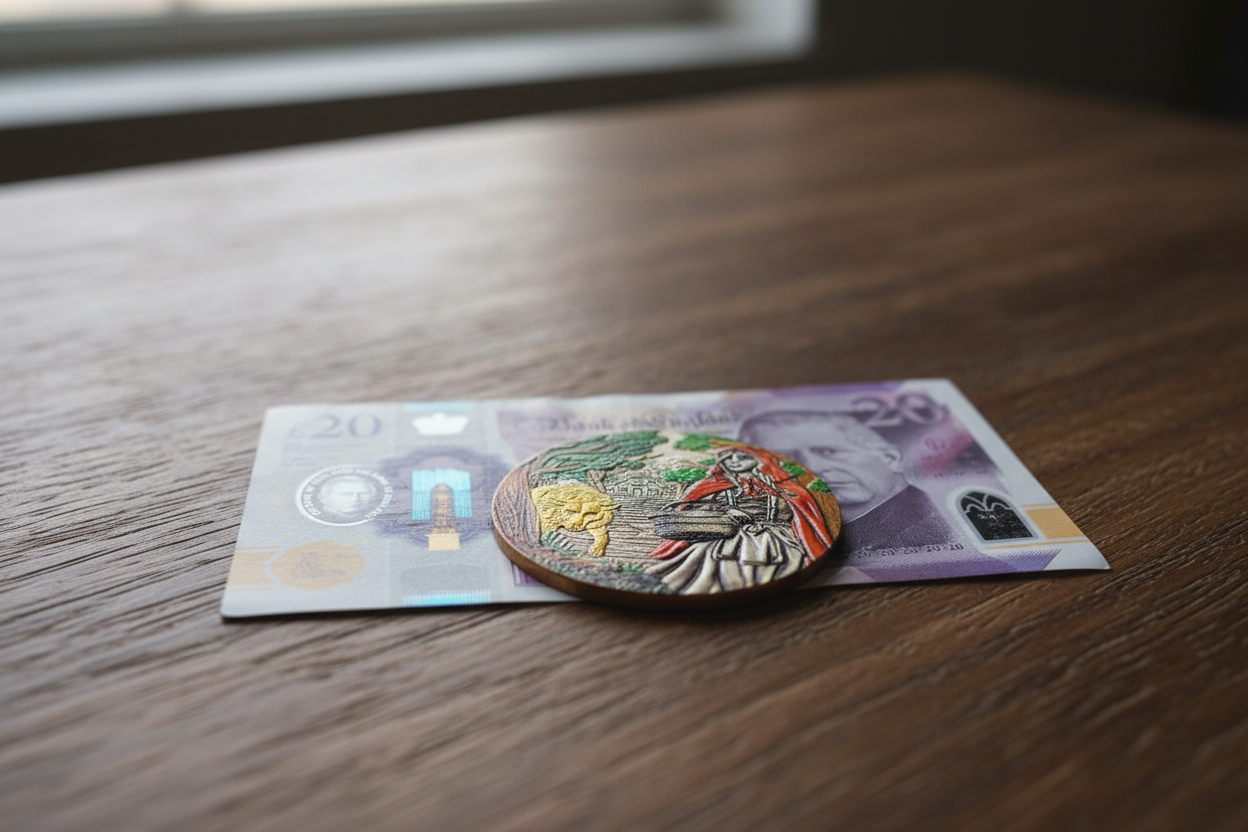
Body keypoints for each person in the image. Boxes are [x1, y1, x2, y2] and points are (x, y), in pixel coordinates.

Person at [737, 411, 954, 552]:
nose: (813, 469)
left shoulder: (942, 531)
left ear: (891, 458)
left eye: (829, 451)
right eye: (787, 460)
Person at [645, 446, 835, 594]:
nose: (735, 461)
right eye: (729, 459)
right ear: (722, 463)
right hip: (723, 531)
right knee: (705, 557)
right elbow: (695, 507)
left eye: (742, 457)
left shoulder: (783, 485)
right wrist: (729, 512)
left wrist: (779, 507)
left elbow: (799, 509)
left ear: (758, 460)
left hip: (775, 533)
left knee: (791, 556)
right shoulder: (712, 485)